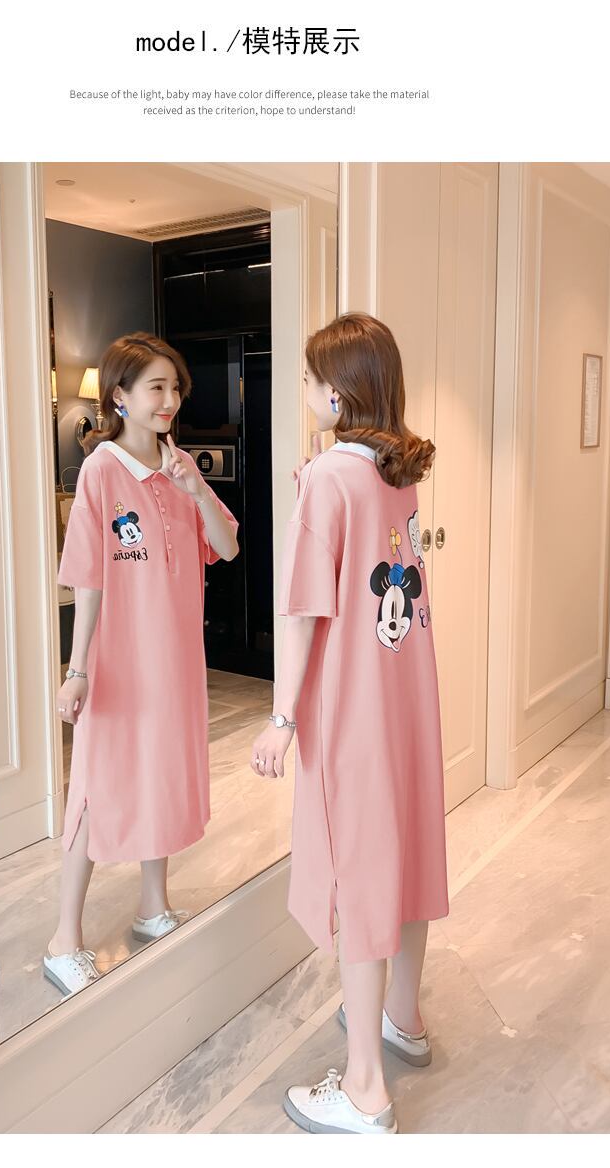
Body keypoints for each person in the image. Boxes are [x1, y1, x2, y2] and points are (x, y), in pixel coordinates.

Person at [250, 312, 449, 1135]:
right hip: (409, 704)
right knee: (404, 853)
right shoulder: (397, 473)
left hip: (354, 714)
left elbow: (303, 613)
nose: (303, 391)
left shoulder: (329, 479)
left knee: (360, 873)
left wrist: (282, 717)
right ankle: (404, 1017)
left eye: (307, 379)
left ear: (336, 391)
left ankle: (365, 1088)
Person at [44, 333, 239, 997]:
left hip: (176, 660)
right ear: (119, 397)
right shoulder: (101, 471)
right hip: (120, 660)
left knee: (160, 773)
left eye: (175, 387)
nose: (170, 399)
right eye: (156, 387)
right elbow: (89, 577)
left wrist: (196, 488)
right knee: (96, 786)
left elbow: (226, 548)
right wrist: (77, 668)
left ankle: (153, 905)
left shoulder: (178, 464)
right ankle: (63, 938)